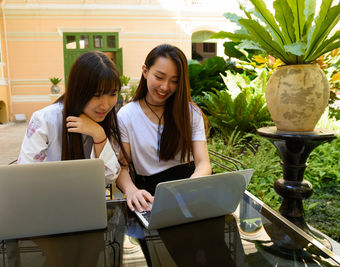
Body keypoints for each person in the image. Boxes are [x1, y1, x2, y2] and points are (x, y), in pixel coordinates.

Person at [116, 44, 212, 212]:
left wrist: (187, 188)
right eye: (159, 77)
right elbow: (122, 167)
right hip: (150, 196)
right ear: (145, 71)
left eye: (174, 81)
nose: (165, 87)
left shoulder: (190, 112)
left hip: (189, 190)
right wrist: (132, 191)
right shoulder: (126, 116)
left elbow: (203, 163)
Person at [18, 51, 127, 186]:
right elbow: (25, 176)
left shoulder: (108, 120)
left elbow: (109, 178)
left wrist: (99, 135)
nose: (105, 105)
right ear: (78, 91)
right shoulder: (45, 121)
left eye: (113, 94)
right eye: (96, 95)